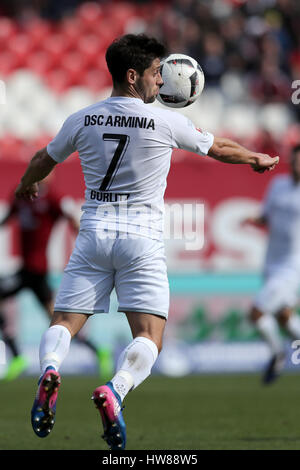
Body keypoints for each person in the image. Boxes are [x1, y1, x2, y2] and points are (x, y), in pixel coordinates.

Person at [15, 34, 279, 450]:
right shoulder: (163, 121)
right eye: (157, 73)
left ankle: (49, 368)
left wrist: (26, 185)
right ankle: (115, 391)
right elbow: (218, 147)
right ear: (133, 76)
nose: (162, 82)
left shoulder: (82, 118)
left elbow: (42, 160)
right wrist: (255, 158)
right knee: (150, 335)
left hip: (94, 233)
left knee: (64, 321)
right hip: (142, 237)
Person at [0, 176, 110, 381]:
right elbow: (8, 218)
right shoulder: (21, 195)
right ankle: (97, 350)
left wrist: (88, 244)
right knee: (57, 322)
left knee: (59, 323)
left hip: (37, 270)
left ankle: (17, 356)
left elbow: (70, 217)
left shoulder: (50, 198)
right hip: (27, 270)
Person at [244, 144, 300, 384]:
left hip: (293, 265)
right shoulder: (278, 185)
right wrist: (254, 219)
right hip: (271, 261)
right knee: (284, 318)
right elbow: (266, 215)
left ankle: (277, 353)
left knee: (256, 313)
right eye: (295, 160)